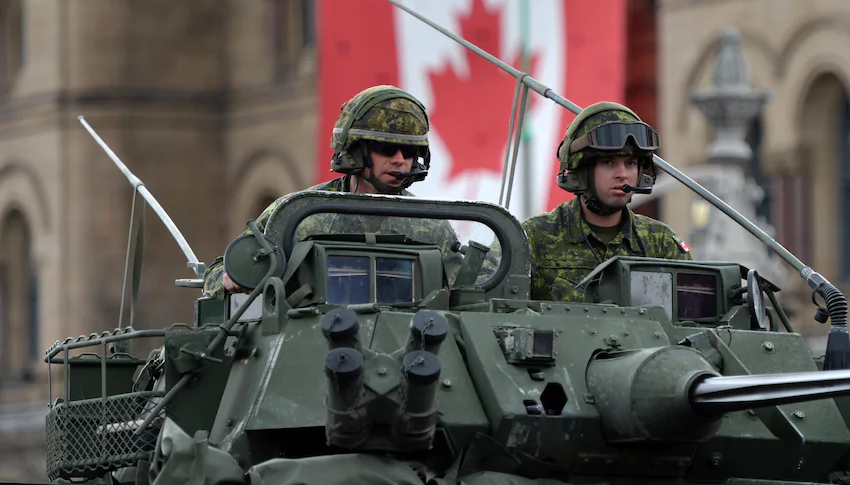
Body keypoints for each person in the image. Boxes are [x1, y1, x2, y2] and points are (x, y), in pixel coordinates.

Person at [203, 85, 463, 298]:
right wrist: (232, 280)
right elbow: (220, 272)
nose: (399, 160)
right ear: (355, 150)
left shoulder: (430, 225)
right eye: (386, 149)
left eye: (409, 152)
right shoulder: (301, 215)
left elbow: (466, 295)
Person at [521, 101, 693, 302]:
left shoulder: (662, 244)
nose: (622, 175)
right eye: (608, 163)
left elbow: (695, 319)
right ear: (581, 172)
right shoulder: (533, 239)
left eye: (630, 163)